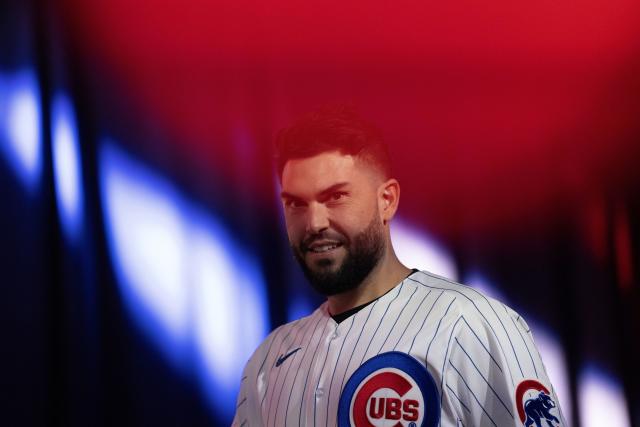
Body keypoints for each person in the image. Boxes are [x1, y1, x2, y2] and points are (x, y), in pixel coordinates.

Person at [232, 106, 565, 427]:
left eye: (335, 197)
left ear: (387, 200)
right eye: (296, 204)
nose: (314, 222)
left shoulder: (470, 324)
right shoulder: (269, 359)